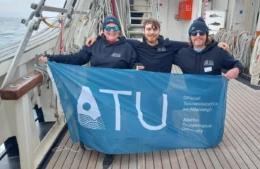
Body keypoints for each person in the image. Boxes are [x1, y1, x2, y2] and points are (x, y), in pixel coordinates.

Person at [39, 16, 140, 169]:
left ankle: (108, 151)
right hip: (95, 89)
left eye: (114, 28)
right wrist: (52, 58)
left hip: (116, 91)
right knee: (91, 117)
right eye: (108, 28)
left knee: (111, 121)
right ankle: (91, 140)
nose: (111, 31)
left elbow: (134, 65)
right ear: (103, 30)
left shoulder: (128, 46)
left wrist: (137, 67)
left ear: (119, 30)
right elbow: (77, 58)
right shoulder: (94, 44)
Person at [85, 18, 229, 73]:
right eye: (148, 29)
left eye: (155, 29)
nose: (151, 32)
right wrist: (97, 37)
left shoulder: (169, 45)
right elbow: (115, 37)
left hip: (162, 89)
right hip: (143, 87)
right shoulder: (135, 44)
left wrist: (215, 44)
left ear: (159, 30)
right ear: (144, 31)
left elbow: (193, 42)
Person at [174, 17, 243, 78]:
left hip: (212, 92)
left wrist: (236, 70)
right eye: (194, 33)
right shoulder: (182, 54)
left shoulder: (218, 52)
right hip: (191, 92)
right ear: (190, 36)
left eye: (202, 32)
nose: (198, 35)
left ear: (206, 35)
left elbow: (238, 64)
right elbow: (165, 56)